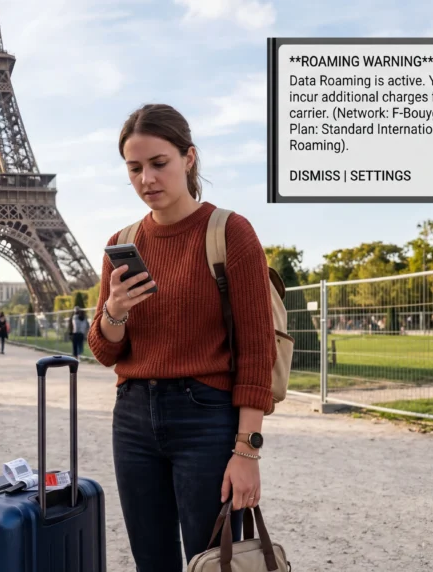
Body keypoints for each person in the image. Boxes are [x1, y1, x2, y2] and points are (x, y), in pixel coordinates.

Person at [88, 104, 275, 570]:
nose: (146, 178)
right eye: (134, 168)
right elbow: (104, 351)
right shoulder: (122, 242)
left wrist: (247, 450)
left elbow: (257, 352)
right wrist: (115, 311)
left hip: (205, 418)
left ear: (188, 158)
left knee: (210, 560)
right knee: (152, 561)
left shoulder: (230, 232)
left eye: (158, 163)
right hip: (132, 417)